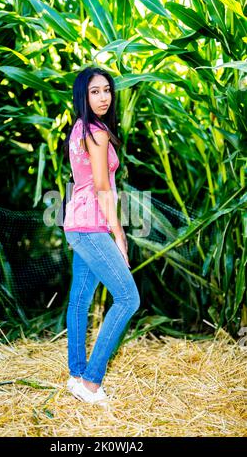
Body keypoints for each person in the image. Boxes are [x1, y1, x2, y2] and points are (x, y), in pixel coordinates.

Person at [62, 66, 141, 406]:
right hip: (91, 225)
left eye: (107, 90)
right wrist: (119, 235)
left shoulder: (80, 129)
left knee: (80, 300)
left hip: (76, 223)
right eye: (95, 91)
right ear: (83, 95)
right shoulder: (96, 132)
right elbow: (101, 187)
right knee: (128, 298)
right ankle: (91, 382)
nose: (103, 96)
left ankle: (76, 375)